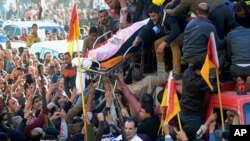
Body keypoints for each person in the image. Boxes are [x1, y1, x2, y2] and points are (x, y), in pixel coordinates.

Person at [132, 4, 184, 74]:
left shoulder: (169, 17)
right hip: (172, 33)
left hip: (183, 32)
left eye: (154, 16)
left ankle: (176, 72)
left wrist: (164, 43)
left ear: (159, 13)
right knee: (157, 43)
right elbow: (147, 28)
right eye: (150, 16)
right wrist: (138, 38)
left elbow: (176, 31)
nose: (152, 18)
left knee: (173, 43)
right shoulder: (153, 19)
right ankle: (161, 71)